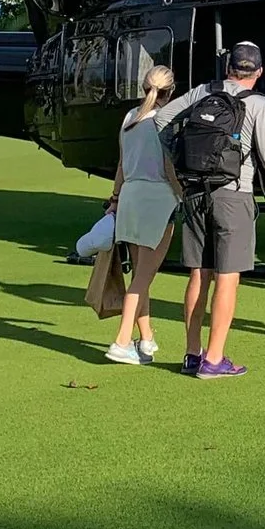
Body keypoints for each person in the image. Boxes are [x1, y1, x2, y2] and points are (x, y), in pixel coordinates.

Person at [156, 41, 265, 379]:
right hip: (233, 193)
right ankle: (214, 358)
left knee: (199, 273)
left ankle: (192, 354)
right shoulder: (259, 104)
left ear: (229, 68)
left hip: (194, 191)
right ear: (260, 71)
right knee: (228, 276)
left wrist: (179, 157)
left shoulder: (202, 92)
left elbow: (162, 119)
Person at [99, 64, 180, 365]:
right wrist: (182, 193)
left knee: (140, 274)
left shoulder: (130, 117)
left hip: (131, 196)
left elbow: (122, 164)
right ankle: (121, 340)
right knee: (144, 277)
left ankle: (145, 340)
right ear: (171, 92)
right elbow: (169, 167)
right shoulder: (164, 119)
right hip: (157, 198)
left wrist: (115, 199)